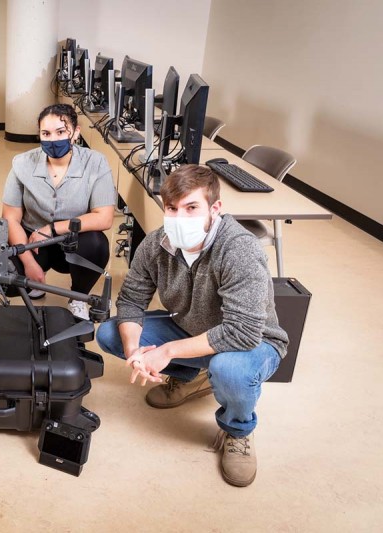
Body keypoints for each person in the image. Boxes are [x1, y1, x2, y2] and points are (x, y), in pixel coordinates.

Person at [95, 164, 288, 487]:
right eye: (172, 208)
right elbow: (131, 301)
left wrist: (167, 351)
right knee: (110, 333)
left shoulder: (239, 249)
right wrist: (136, 352)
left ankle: (237, 430)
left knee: (230, 370)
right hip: (191, 328)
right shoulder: (156, 244)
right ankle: (191, 377)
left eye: (191, 207)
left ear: (215, 209)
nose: (179, 217)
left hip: (253, 341)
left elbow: (242, 331)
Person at [1, 103, 115, 319]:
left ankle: (79, 296)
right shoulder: (22, 163)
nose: (53, 139)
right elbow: (10, 219)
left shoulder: (96, 162)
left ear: (75, 132)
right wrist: (28, 263)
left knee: (97, 245)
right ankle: (35, 281)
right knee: (4, 277)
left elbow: (104, 217)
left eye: (61, 132)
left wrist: (52, 228)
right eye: (46, 133)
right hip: (32, 243)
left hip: (74, 242)